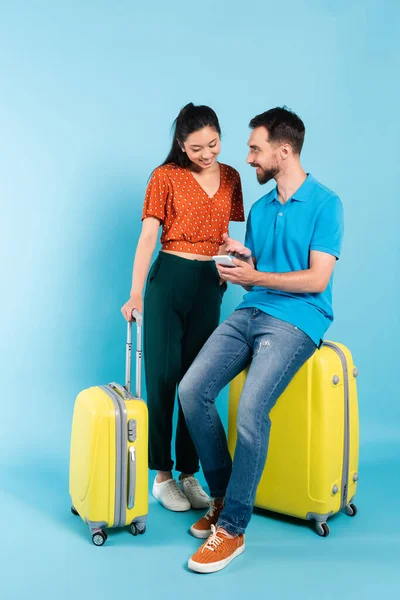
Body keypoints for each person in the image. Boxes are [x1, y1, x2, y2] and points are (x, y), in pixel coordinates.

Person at [179, 106, 344, 572]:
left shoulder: (326, 203)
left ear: (284, 151)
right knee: (192, 391)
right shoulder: (260, 207)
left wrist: (258, 274)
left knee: (252, 409)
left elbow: (316, 279)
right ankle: (224, 495)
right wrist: (241, 261)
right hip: (252, 311)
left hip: (297, 320)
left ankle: (231, 529)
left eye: (256, 149)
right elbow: (258, 278)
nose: (248, 158)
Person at [121, 103, 245, 512]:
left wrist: (232, 258)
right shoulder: (165, 177)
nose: (207, 154)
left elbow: (225, 233)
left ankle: (190, 473)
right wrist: (136, 292)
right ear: (181, 145)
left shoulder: (231, 177)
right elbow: (147, 237)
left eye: (213, 144)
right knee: (163, 378)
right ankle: (162, 475)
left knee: (198, 382)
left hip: (210, 283)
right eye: (197, 149)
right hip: (169, 279)